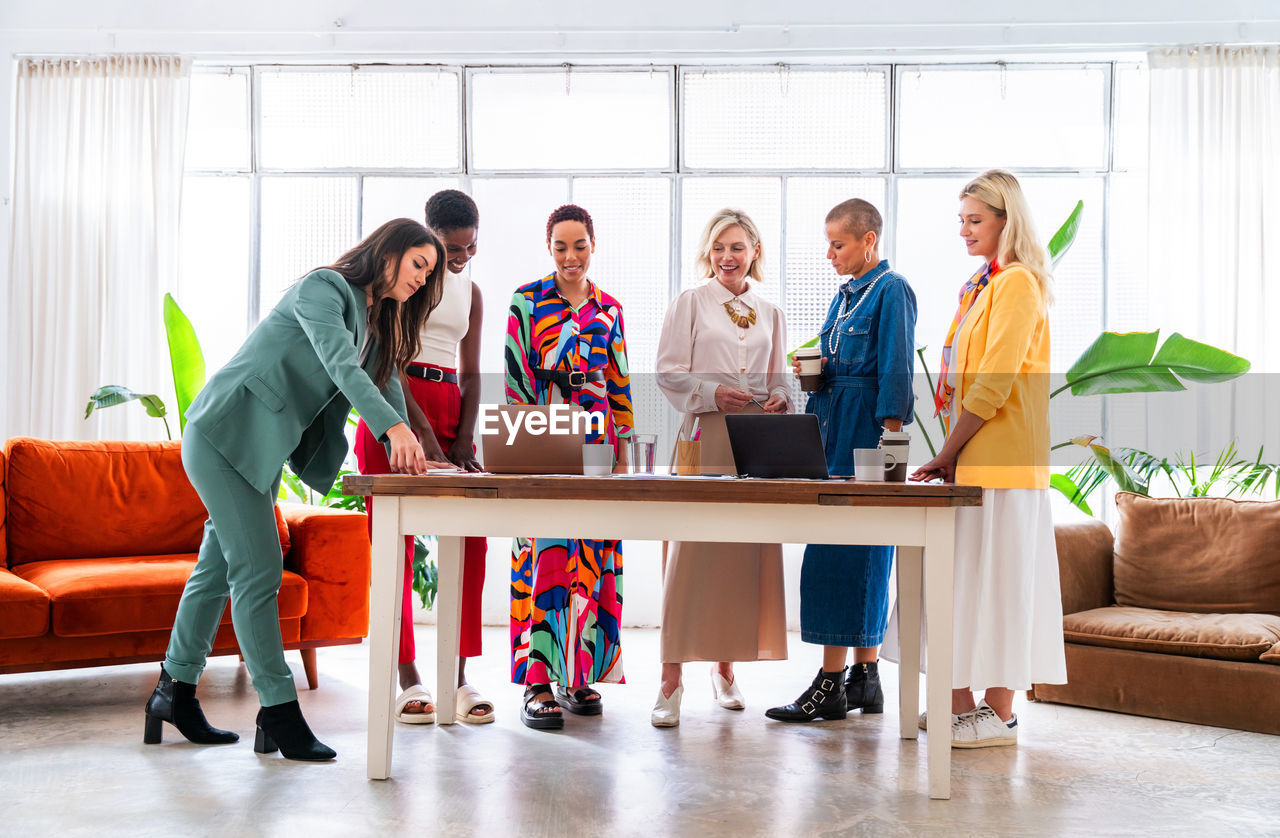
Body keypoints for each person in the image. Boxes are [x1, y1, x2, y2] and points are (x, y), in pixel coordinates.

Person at [146, 218, 445, 761]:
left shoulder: (375, 317)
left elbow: (385, 380)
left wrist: (418, 454)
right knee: (259, 570)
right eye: (419, 264)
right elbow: (341, 363)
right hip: (223, 433)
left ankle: (173, 693)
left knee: (216, 573)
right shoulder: (323, 289)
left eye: (431, 272)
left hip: (255, 448)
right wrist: (392, 430)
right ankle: (279, 711)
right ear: (388, 252)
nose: (424, 279)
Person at [906, 168, 1067, 748]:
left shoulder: (1019, 283)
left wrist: (945, 453)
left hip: (1003, 460)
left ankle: (999, 715)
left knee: (999, 584)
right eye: (962, 221)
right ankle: (964, 707)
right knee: (967, 582)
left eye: (976, 221)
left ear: (1007, 221)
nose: (965, 231)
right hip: (976, 457)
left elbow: (994, 384)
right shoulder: (982, 286)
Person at [764, 199, 917, 723]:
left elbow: (896, 368)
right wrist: (817, 371)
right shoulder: (844, 296)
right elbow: (844, 362)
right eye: (828, 243)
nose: (829, 254)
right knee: (845, 548)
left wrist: (891, 447)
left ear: (868, 240)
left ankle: (830, 683)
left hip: (865, 435)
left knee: (850, 553)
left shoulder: (891, 290)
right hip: (829, 429)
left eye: (838, 243)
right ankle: (864, 678)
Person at [354, 190, 492, 725]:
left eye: (470, 248)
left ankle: (457, 678)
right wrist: (421, 435)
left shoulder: (470, 291)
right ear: (428, 232)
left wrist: (462, 438)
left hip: (452, 405)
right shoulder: (403, 282)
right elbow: (387, 358)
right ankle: (408, 677)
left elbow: (473, 370)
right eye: (451, 247)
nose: (459, 258)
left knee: (472, 541)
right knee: (395, 547)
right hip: (394, 403)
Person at [652, 208, 791, 727]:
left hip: (754, 441)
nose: (727, 258)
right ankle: (670, 679)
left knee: (739, 554)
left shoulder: (771, 312)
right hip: (702, 438)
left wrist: (778, 397)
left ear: (754, 250)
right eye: (718, 249)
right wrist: (712, 393)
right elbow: (668, 373)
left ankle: (725, 670)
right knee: (689, 554)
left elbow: (780, 378)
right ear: (708, 254)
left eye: (737, 248)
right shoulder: (691, 303)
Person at [504, 204, 632, 731]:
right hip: (542, 436)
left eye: (579, 245)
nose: (571, 256)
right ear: (549, 247)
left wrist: (624, 445)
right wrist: (523, 445)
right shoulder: (527, 300)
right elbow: (514, 381)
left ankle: (579, 674)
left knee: (593, 552)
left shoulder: (610, 309)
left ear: (593, 244)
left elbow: (620, 382)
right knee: (546, 551)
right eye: (561, 246)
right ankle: (537, 680)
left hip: (597, 443)